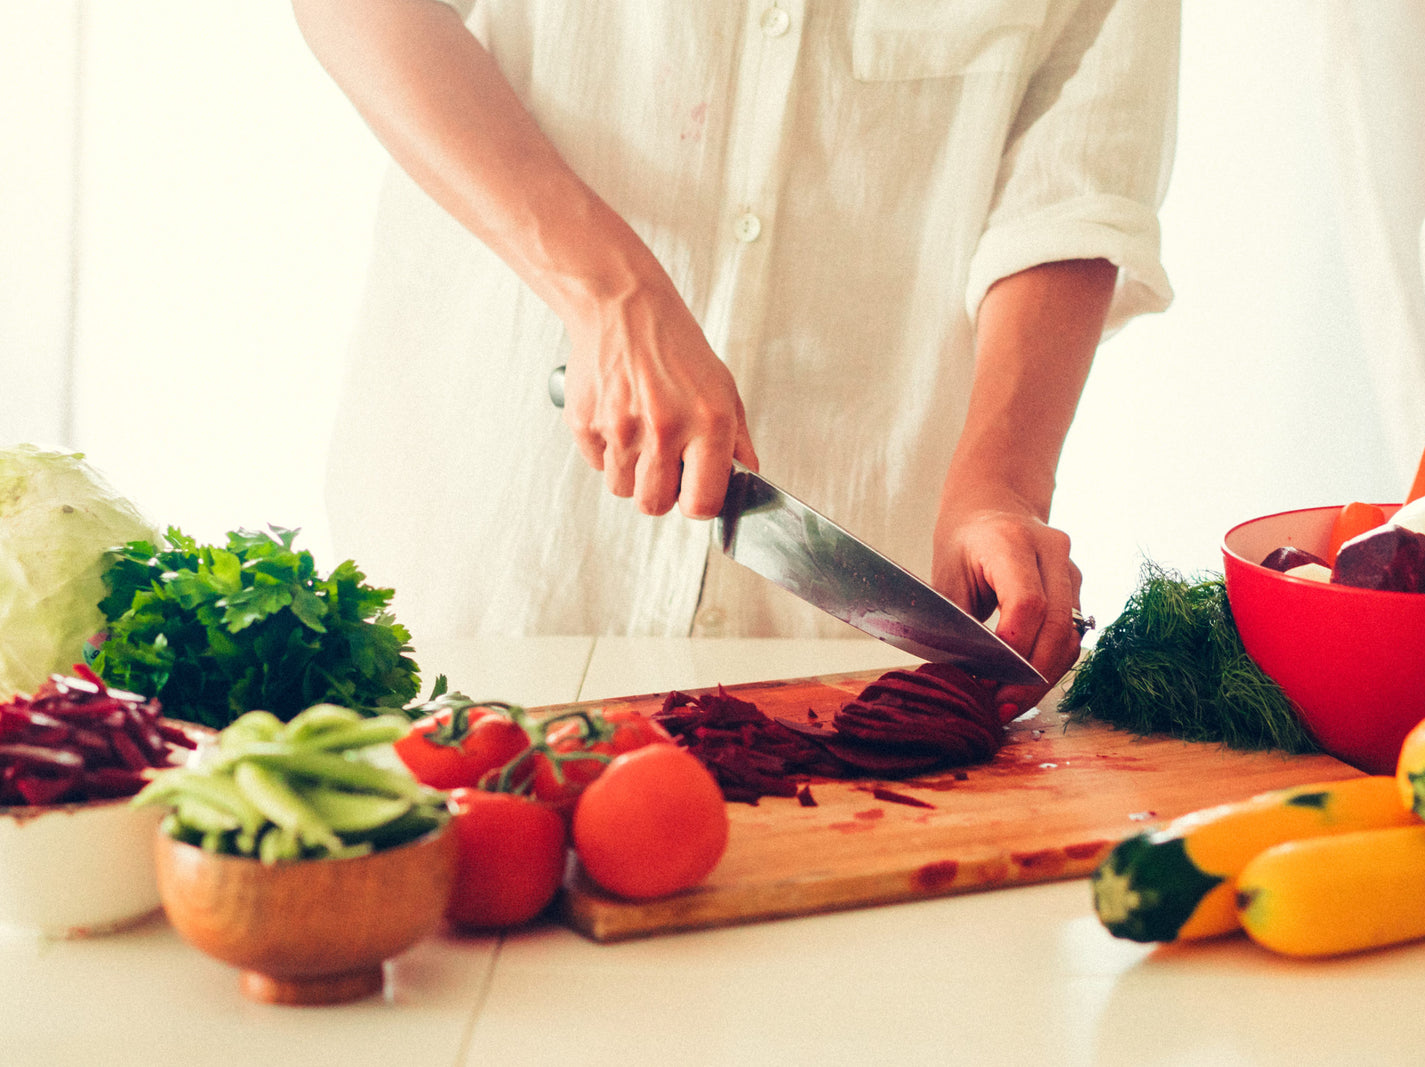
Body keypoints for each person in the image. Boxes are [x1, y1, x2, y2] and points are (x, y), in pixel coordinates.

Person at [291, 0, 1179, 711]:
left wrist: (1003, 482)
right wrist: (610, 293)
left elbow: (1076, 181)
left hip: (827, 652)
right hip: (493, 565)